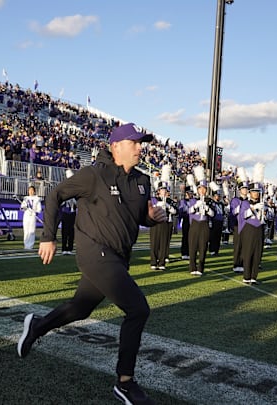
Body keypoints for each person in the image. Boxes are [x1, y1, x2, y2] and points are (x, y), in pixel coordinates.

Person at [17, 123, 166, 404]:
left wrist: (152, 218)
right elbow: (55, 195)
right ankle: (125, 382)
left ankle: (37, 326)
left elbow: (137, 217)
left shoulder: (143, 180)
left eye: (141, 142)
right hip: (93, 251)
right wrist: (48, 237)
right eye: (134, 142)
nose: (140, 147)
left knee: (80, 308)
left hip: (119, 257)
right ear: (116, 147)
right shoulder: (93, 174)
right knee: (138, 310)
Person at [238, 183, 265, 284]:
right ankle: (246, 276)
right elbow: (243, 215)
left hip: (259, 228)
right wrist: (253, 208)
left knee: (257, 253)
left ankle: (254, 277)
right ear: (250, 193)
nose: (256, 194)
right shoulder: (245, 203)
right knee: (248, 252)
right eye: (254, 191)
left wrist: (264, 213)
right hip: (248, 228)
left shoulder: (261, 203)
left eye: (258, 192)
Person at [188, 180, 214, 276]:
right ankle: (192, 267)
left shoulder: (209, 200)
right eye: (200, 188)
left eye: (204, 188)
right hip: (195, 224)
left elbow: (212, 214)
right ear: (198, 189)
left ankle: (200, 268)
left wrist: (207, 208)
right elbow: (189, 211)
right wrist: (196, 206)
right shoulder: (193, 200)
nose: (202, 190)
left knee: (203, 247)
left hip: (204, 224)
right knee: (193, 246)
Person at [149, 184, 176, 270]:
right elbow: (150, 208)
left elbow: (175, 211)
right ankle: (153, 262)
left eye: (165, 190)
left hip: (165, 223)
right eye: (162, 190)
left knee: (164, 243)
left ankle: (162, 262)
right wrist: (158, 205)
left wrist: (168, 206)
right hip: (155, 223)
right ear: (159, 191)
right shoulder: (154, 199)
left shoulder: (169, 201)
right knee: (154, 243)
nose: (164, 192)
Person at [59, 171, 77, 255]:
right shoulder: (64, 187)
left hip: (72, 211)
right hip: (65, 211)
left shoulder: (76, 187)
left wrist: (74, 201)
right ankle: (63, 248)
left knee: (71, 231)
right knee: (65, 231)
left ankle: (70, 248)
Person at [20, 185, 42, 249]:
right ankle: (26, 245)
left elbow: (39, 209)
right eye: (30, 190)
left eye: (32, 190)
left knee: (31, 231)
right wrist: (24, 207)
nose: (31, 192)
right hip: (26, 216)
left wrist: (34, 211)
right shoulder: (26, 198)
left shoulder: (37, 199)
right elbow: (22, 208)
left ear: (34, 191)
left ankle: (30, 246)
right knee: (26, 231)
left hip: (32, 216)